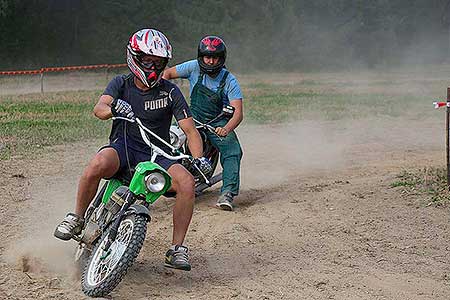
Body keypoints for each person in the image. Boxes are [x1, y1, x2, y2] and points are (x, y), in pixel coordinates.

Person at [53, 29, 211, 271]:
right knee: (97, 163)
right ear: (135, 58)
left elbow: (190, 131)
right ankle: (76, 218)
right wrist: (115, 108)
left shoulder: (170, 91)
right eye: (149, 61)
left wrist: (199, 159)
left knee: (187, 183)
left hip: (158, 154)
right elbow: (100, 108)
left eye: (159, 63)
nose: (154, 68)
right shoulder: (121, 83)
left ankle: (177, 248)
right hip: (124, 148)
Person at [163, 35, 243, 211]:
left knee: (232, 150)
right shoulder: (193, 67)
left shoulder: (229, 80)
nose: (211, 61)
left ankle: (228, 192)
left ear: (222, 58)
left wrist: (226, 128)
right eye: (207, 57)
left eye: (215, 57)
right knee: (167, 139)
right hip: (193, 117)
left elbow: (238, 113)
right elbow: (167, 73)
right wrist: (162, 89)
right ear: (201, 57)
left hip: (218, 122)